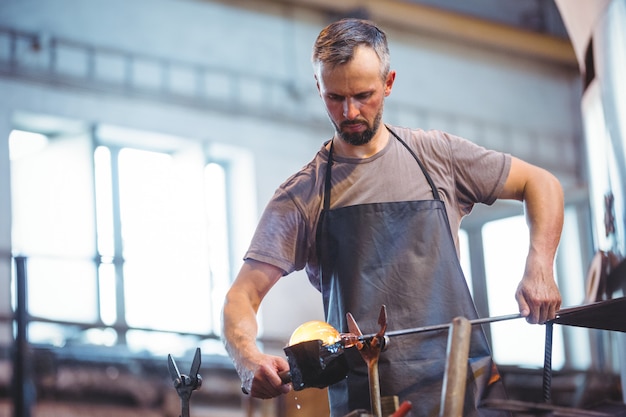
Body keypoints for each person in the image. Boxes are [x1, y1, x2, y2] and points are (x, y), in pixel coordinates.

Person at [222, 18, 563, 417]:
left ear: (388, 83)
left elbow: (540, 183)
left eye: (363, 95)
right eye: (334, 97)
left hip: (464, 387)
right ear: (318, 87)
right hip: (368, 399)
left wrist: (540, 266)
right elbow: (240, 297)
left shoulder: (437, 157)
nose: (349, 111)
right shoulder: (304, 193)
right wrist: (247, 359)